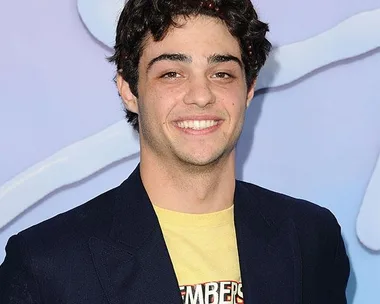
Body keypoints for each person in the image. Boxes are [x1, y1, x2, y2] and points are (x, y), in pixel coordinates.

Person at [0, 0, 349, 303]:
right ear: (129, 90)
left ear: (248, 90)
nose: (201, 95)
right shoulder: (45, 266)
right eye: (171, 74)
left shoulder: (311, 238)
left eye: (222, 73)